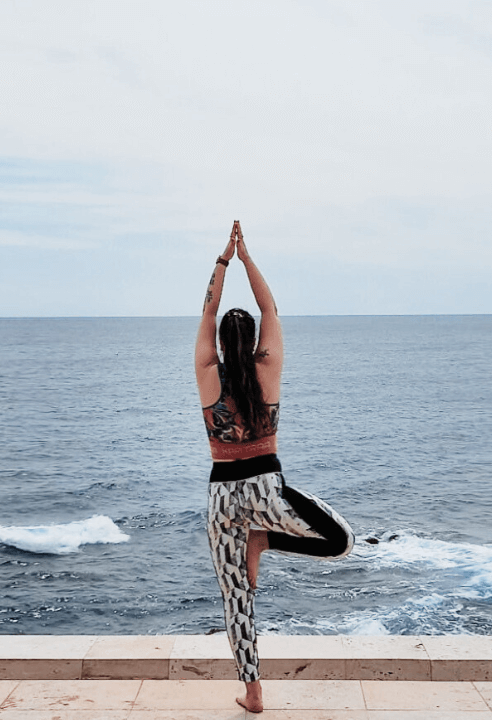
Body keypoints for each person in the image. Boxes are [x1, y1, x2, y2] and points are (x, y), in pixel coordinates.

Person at [195, 220, 355, 713]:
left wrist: (222, 261)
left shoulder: (207, 372)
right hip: (266, 489)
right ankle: (265, 539)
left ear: (222, 344)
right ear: (253, 343)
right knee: (340, 541)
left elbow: (208, 311)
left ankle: (254, 692)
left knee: (236, 598)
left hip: (223, 497)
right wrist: (246, 257)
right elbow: (270, 309)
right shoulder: (268, 369)